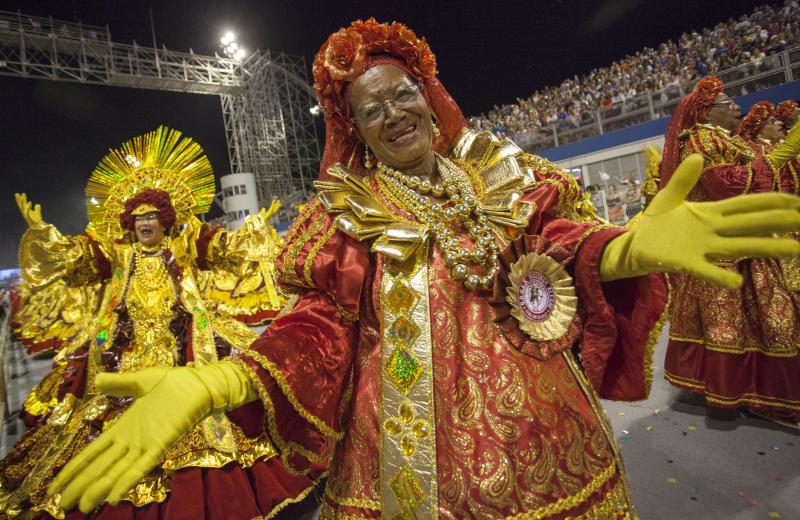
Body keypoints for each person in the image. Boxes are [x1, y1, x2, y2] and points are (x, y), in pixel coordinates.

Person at [46, 21, 800, 519]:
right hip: (406, 469)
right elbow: (320, 327)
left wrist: (627, 246)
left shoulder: (502, 170)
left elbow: (561, 238)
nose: (396, 114)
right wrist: (216, 379)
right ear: (357, 132)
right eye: (373, 111)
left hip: (550, 442)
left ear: (426, 95)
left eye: (403, 95)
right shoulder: (343, 217)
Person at [0, 127, 317, 518]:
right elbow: (77, 257)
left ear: (165, 221)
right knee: (102, 422)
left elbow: (223, 248)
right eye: (138, 218)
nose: (145, 224)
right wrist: (44, 236)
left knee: (200, 417)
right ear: (129, 224)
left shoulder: (185, 245)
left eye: (152, 217)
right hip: (122, 360)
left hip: (181, 355)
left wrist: (254, 228)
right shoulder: (115, 253)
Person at [661, 77, 800, 429]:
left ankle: (761, 392)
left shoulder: (726, 140)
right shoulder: (700, 140)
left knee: (767, 319)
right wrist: (781, 156)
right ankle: (754, 395)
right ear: (708, 111)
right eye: (728, 102)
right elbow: (724, 184)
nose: (737, 106)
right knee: (741, 324)